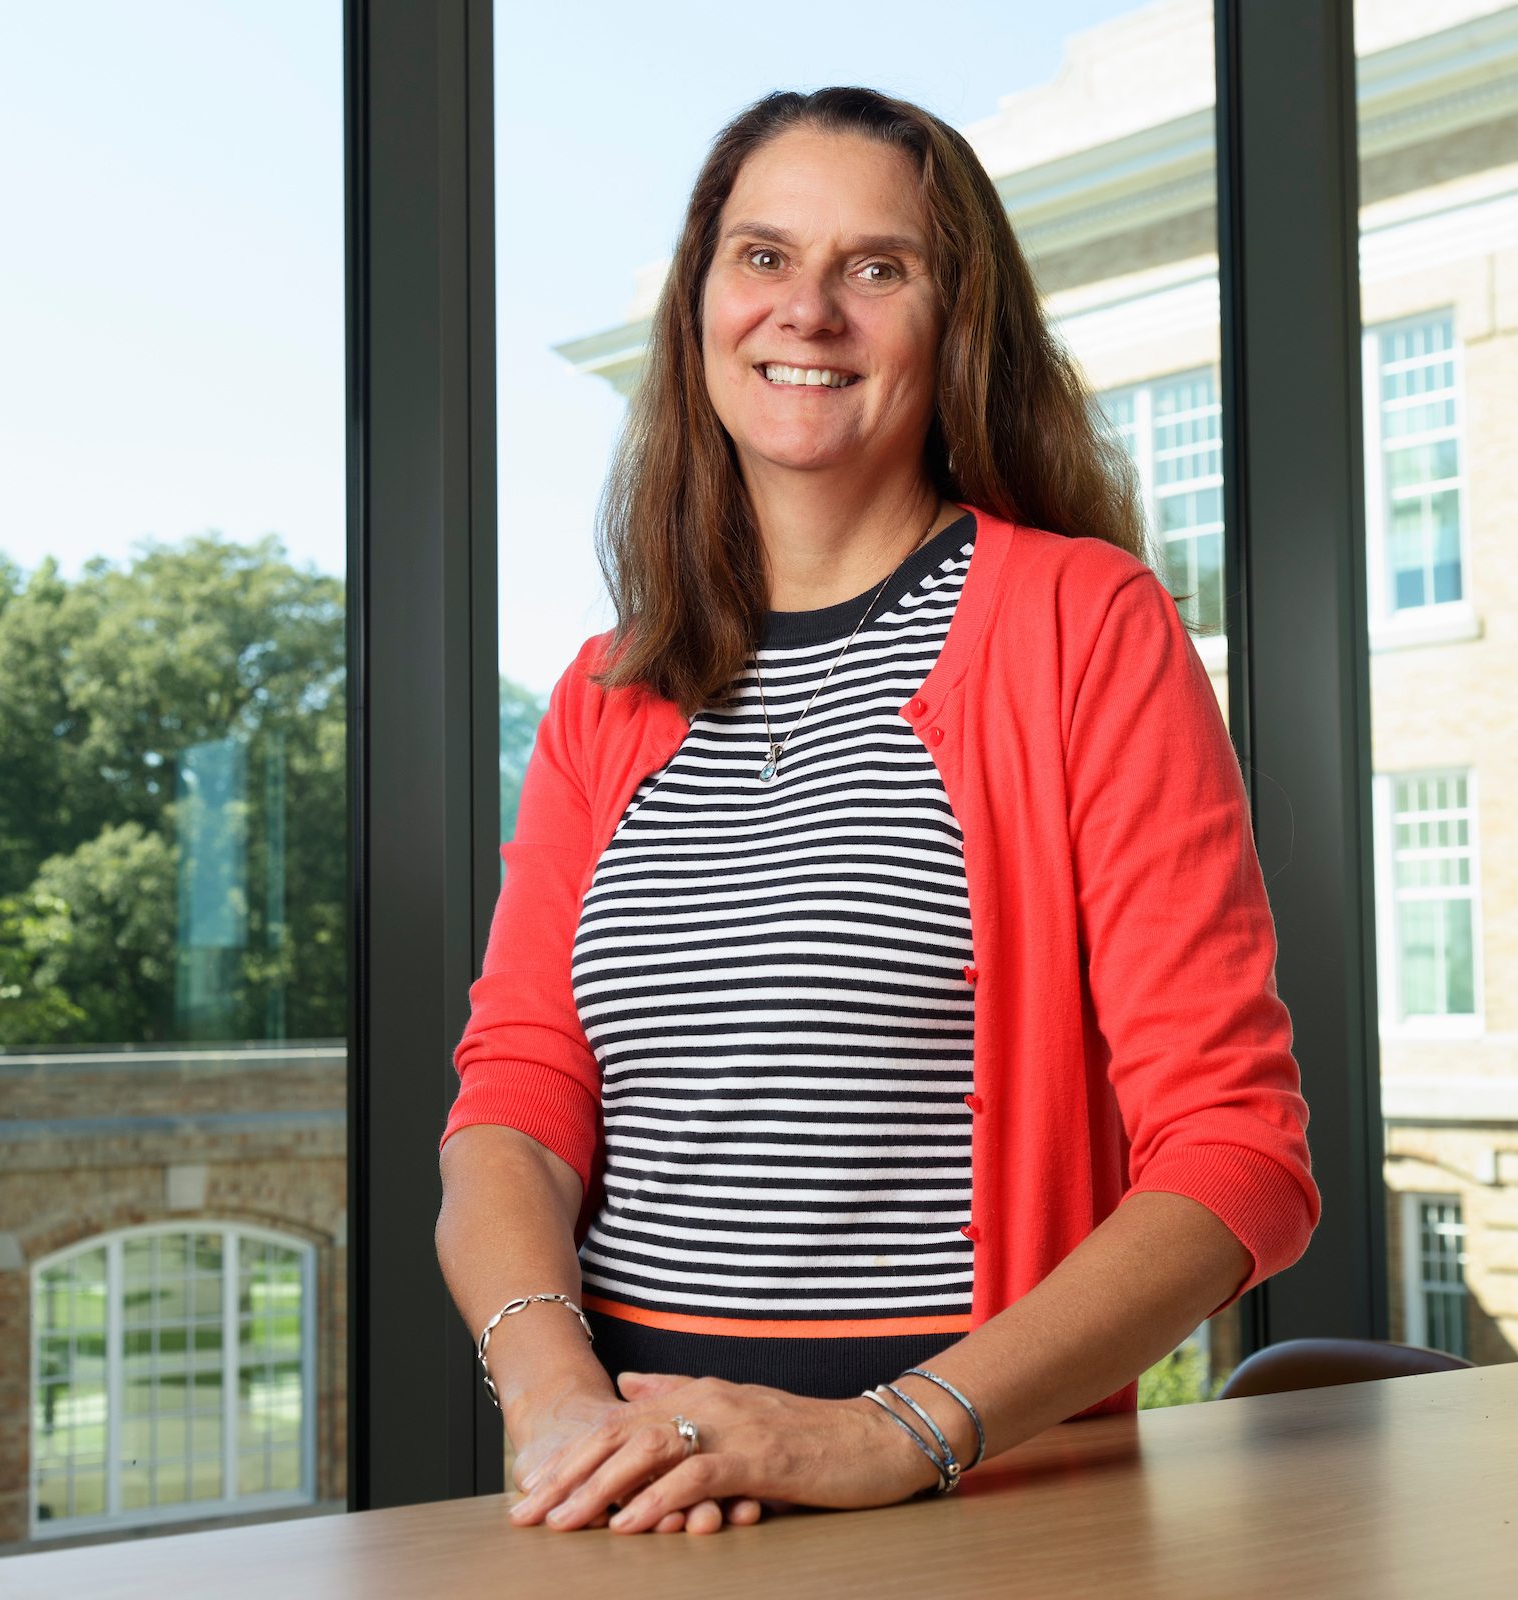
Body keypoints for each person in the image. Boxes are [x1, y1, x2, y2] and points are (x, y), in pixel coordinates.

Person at [435, 85, 1319, 1538]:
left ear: (954, 320)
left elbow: (1237, 1155)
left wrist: (884, 1436)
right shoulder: (608, 689)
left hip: (971, 1492)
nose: (811, 312)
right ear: (701, 306)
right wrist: (553, 1398)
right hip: (627, 1493)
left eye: (879, 267)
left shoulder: (1082, 623)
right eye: (764, 258)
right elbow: (518, 1100)